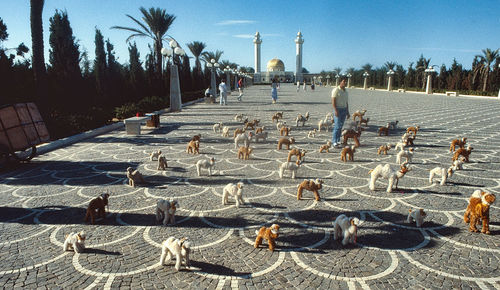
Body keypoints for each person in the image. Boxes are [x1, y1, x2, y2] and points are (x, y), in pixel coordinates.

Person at [331, 77, 350, 147]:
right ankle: (334, 141)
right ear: (340, 82)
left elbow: (346, 102)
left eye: (346, 82)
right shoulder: (336, 90)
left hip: (344, 110)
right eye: (344, 81)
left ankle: (338, 140)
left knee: (340, 126)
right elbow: (333, 101)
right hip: (338, 109)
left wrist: (347, 112)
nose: (345, 83)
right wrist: (335, 110)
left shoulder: (346, 91)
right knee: (337, 126)